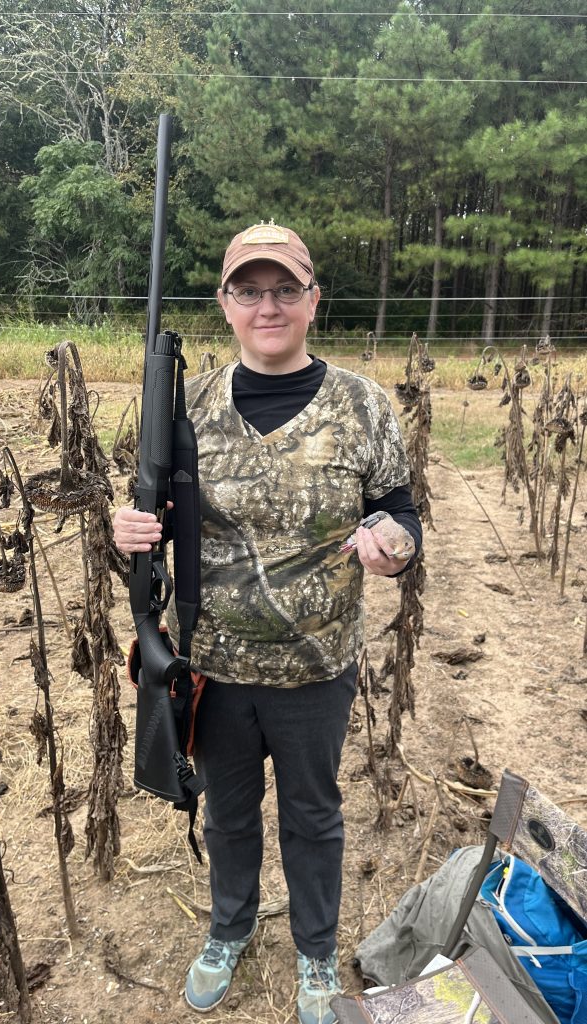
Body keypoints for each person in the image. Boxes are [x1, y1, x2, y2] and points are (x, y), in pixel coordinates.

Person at [113, 220, 422, 1024]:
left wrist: (394, 543)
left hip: (317, 667)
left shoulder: (362, 404)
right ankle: (228, 929)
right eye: (249, 290)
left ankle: (316, 955)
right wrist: (130, 530)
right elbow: (154, 512)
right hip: (213, 664)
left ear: (313, 299)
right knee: (228, 812)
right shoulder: (186, 406)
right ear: (225, 304)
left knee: (313, 817)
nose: (268, 304)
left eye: (285, 288)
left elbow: (398, 507)